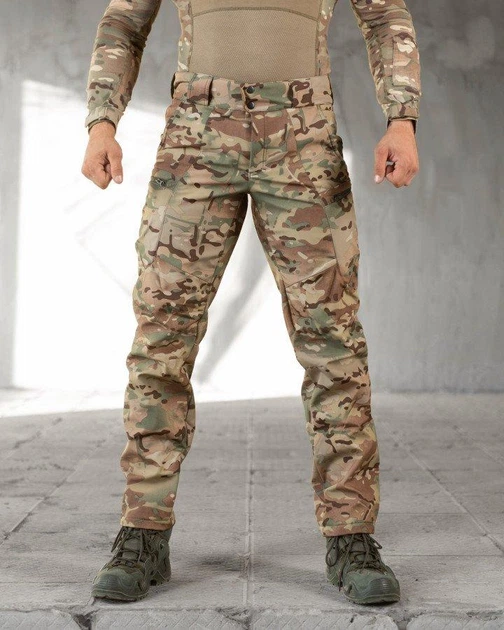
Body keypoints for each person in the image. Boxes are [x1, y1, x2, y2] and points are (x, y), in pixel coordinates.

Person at [81, 0, 421, 606]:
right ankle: (143, 531)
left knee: (333, 342)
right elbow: (124, 21)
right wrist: (102, 122)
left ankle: (351, 537)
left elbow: (384, 15)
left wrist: (402, 118)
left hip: (302, 136)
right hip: (196, 136)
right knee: (162, 335)